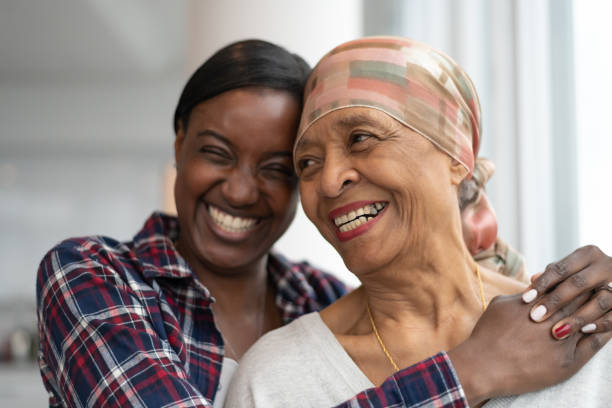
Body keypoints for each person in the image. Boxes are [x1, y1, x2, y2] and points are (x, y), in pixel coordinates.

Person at [36, 39, 611, 408]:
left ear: (455, 155)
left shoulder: (314, 293)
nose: (240, 189)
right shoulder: (92, 275)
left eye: (280, 167)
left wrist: (576, 291)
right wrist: (471, 371)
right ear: (179, 143)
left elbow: (442, 273)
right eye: (309, 161)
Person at [225, 36, 612, 408]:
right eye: (308, 163)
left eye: (361, 138)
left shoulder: (588, 332)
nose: (328, 181)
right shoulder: (273, 379)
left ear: (457, 157)